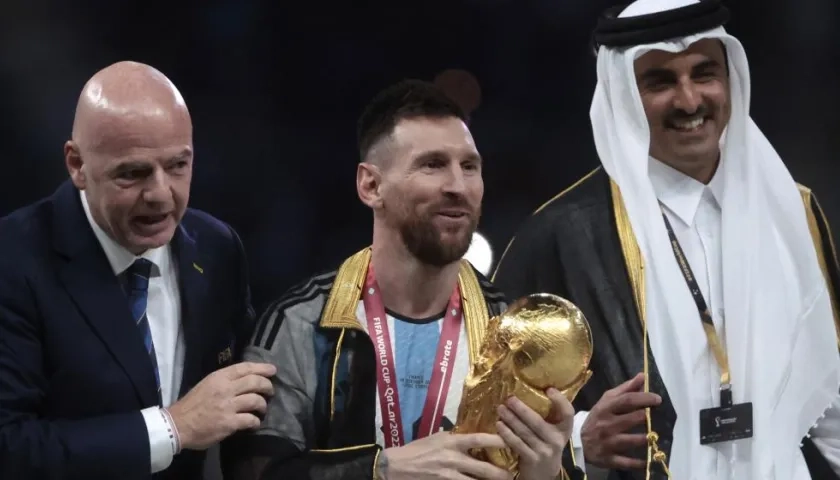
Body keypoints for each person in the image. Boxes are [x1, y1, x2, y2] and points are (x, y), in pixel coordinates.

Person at [493, 0, 840, 479]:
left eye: (705, 74)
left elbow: (830, 393)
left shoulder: (791, 209)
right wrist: (578, 439)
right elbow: (491, 410)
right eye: (660, 82)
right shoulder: (562, 234)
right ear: (623, 96)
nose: (690, 100)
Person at [224, 80, 580, 480]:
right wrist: (382, 470)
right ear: (371, 185)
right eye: (432, 164)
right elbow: (253, 472)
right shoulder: (301, 324)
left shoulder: (512, 333)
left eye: (469, 166)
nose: (457, 187)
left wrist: (548, 475)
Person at [0, 61, 276, 479]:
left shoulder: (218, 250)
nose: (161, 194)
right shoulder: (13, 260)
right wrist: (173, 428)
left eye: (178, 165)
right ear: (76, 164)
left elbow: (244, 406)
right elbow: (10, 446)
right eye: (133, 173)